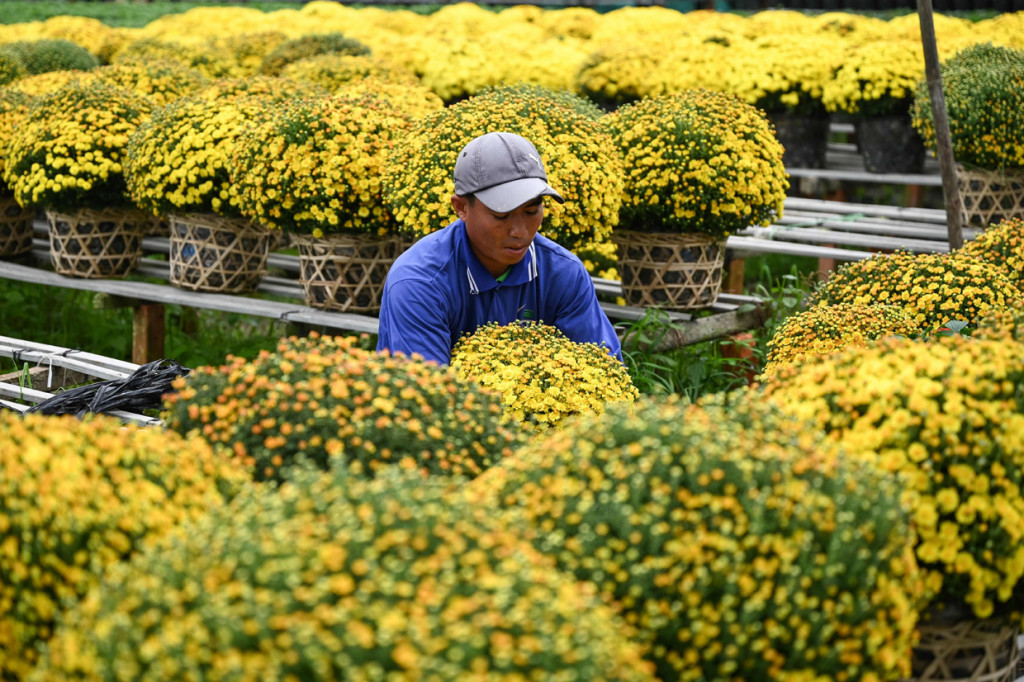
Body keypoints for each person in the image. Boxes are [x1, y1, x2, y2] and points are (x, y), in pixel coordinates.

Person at [376, 131, 622, 366]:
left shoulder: (564, 273)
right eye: (501, 215)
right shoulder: (419, 283)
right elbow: (431, 390)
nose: (520, 231)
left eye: (531, 211)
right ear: (461, 207)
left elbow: (604, 371)